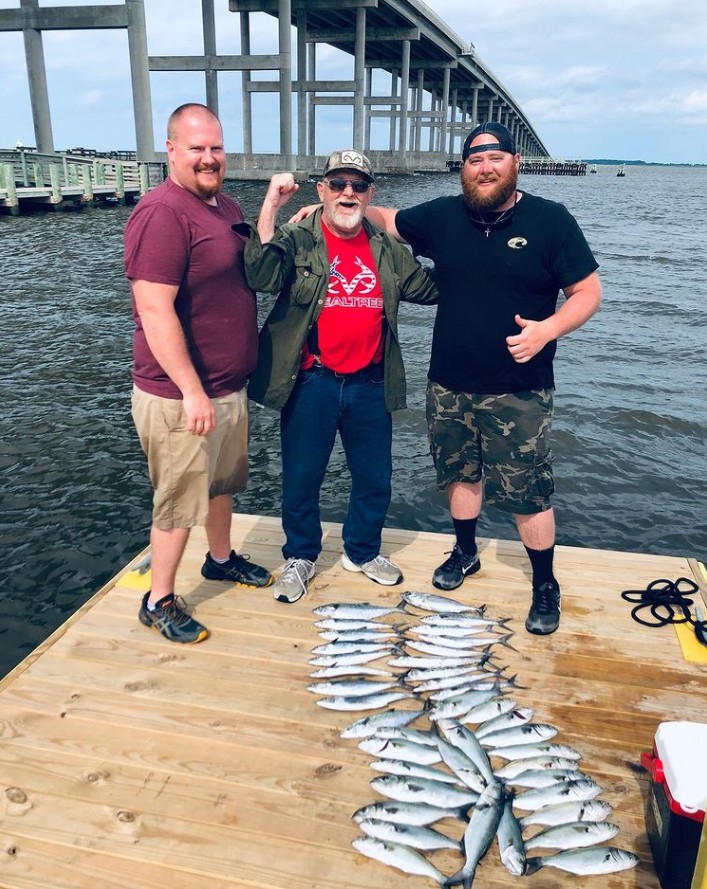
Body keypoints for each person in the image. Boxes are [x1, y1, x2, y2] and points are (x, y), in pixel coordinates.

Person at [293, 123, 601, 634]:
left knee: (528, 491)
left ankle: (545, 582)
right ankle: (464, 552)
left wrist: (548, 330)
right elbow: (386, 217)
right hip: (449, 383)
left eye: (495, 157)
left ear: (515, 162)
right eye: (474, 160)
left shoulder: (552, 221)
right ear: (464, 169)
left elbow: (588, 292)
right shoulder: (442, 215)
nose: (485, 167)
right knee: (459, 475)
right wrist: (326, 208)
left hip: (519, 387)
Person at [233, 149, 438, 603]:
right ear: (322, 189)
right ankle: (300, 555)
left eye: (358, 186)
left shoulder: (386, 247)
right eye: (339, 184)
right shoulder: (298, 235)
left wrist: (467, 248)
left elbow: (429, 288)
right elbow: (262, 275)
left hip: (370, 381)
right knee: (302, 476)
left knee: (374, 477)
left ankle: (362, 552)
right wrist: (270, 206)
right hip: (313, 380)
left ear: (370, 195)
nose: (348, 193)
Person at [124, 102, 272, 644]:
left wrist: (275, 213)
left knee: (220, 486)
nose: (209, 158)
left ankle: (220, 558)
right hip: (181, 396)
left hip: (226, 388)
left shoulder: (221, 203)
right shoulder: (162, 212)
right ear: (170, 151)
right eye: (196, 149)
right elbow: (154, 310)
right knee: (179, 501)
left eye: (215, 147)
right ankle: (158, 598)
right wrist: (191, 390)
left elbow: (243, 266)